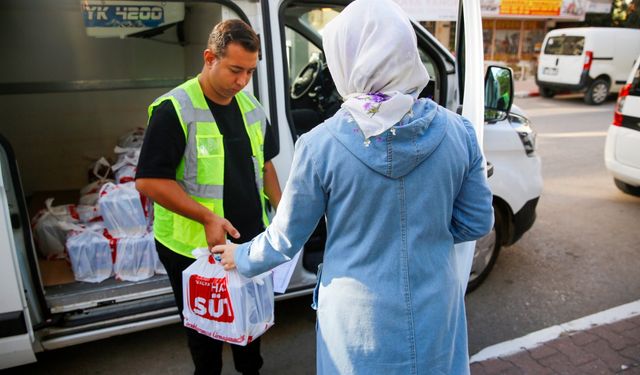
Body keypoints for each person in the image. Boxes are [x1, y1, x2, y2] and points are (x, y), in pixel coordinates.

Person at [212, 0, 493, 373]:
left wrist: (241, 256)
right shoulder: (459, 132)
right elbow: (476, 223)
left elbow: (285, 240)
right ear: (407, 51)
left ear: (344, 58)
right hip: (435, 312)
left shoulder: (320, 144)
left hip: (357, 325)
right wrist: (427, 237)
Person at [135, 19, 281, 375]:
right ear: (209, 58)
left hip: (246, 242)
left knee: (249, 322)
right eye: (235, 70)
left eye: (249, 71)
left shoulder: (250, 107)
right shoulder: (175, 109)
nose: (243, 81)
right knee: (205, 334)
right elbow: (150, 181)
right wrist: (207, 217)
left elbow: (265, 166)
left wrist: (284, 210)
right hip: (193, 249)